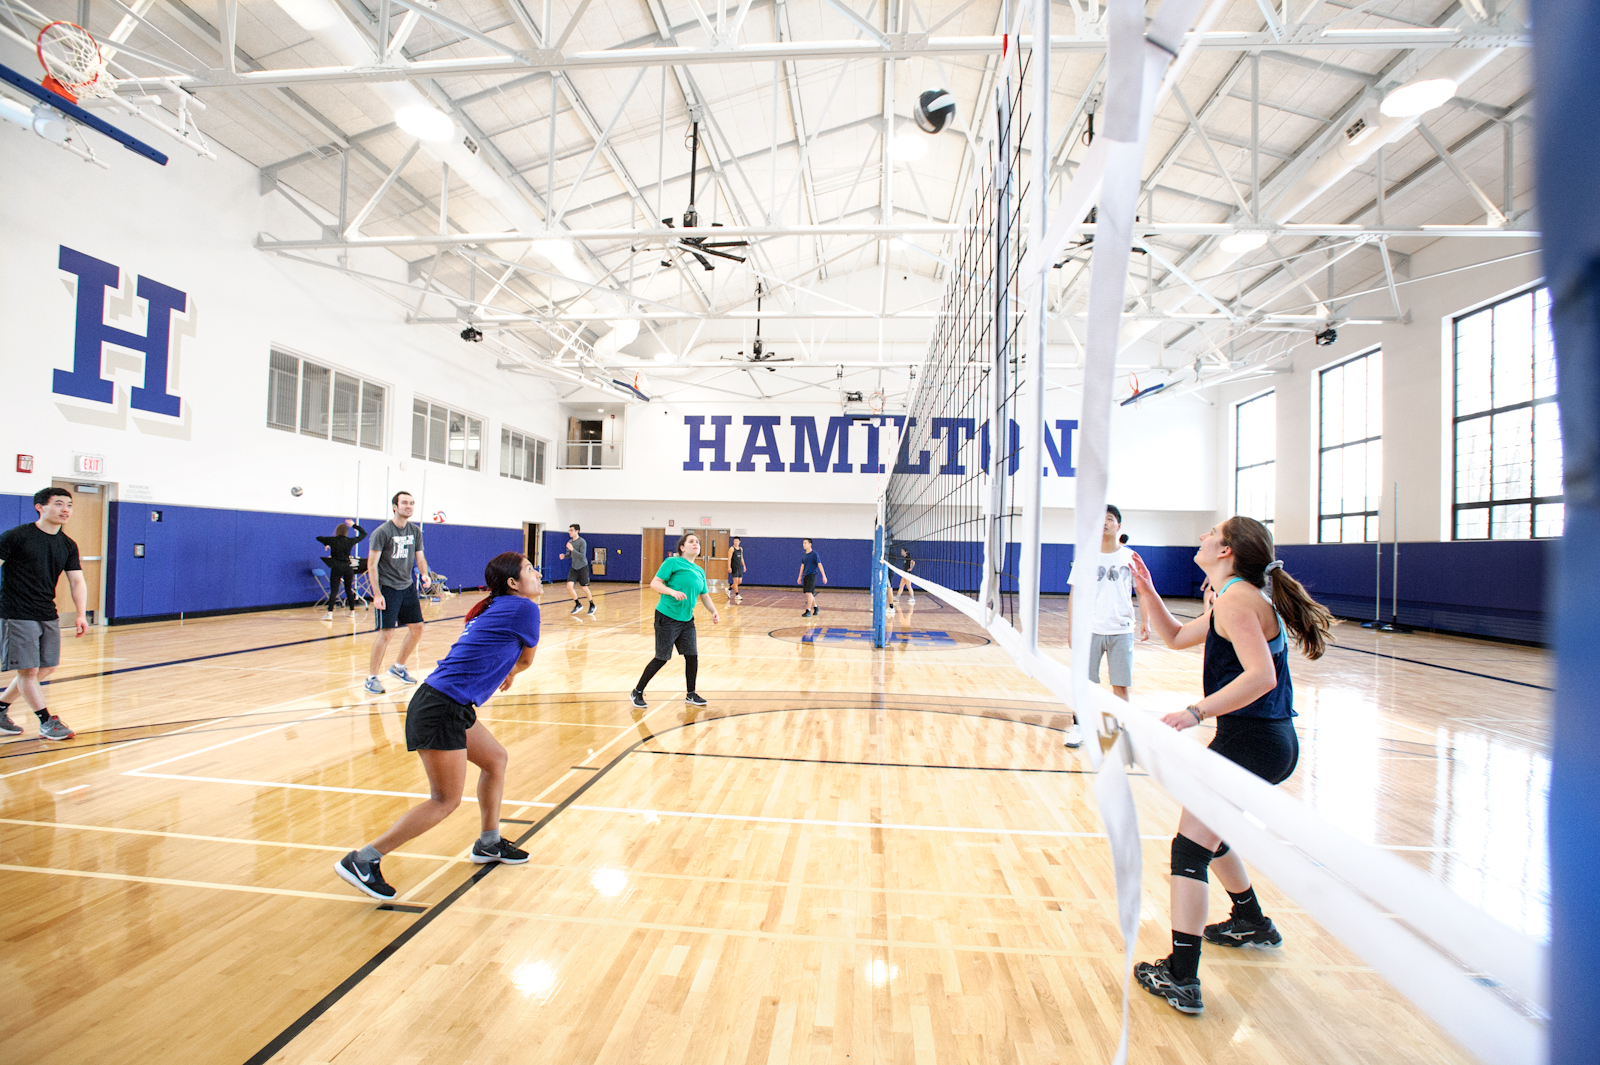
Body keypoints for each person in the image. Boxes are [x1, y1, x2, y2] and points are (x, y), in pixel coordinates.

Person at [1127, 516, 1334, 1016]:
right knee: (1209, 836)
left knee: (1189, 848)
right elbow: (1175, 637)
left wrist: (1196, 711)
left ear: (1227, 551)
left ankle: (1181, 977)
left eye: (1210, 533)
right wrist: (1148, 590)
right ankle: (1250, 921)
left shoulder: (1239, 600)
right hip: (1259, 740)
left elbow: (1261, 677)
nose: (1200, 536)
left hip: (1254, 741)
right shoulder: (1232, 597)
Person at [335, 551, 542, 900]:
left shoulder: (495, 608)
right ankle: (364, 859)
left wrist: (506, 670)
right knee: (445, 800)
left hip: (447, 702)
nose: (537, 573)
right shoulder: (525, 609)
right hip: (440, 707)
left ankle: (489, 843)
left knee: (495, 760)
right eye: (530, 569)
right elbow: (525, 659)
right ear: (513, 583)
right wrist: (512, 671)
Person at [0, 487, 88, 741]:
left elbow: (77, 582)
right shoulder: (16, 536)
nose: (65, 510)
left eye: (69, 505)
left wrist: (81, 614)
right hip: (16, 612)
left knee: (47, 668)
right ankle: (46, 721)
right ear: (40, 507)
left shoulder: (67, 544)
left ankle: (1, 707)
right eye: (59, 504)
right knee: (28, 671)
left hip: (47, 612)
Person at [630, 532, 720, 709]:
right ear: (682, 547)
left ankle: (691, 694)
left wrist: (714, 611)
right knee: (662, 658)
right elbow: (655, 583)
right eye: (691, 541)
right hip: (667, 617)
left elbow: (705, 596)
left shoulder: (699, 571)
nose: (696, 544)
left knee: (692, 656)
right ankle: (637, 691)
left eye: (698, 542)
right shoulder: (672, 562)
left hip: (686, 619)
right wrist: (671, 592)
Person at [365, 492, 432, 695]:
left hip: (407, 586)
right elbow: (372, 565)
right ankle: (371, 678)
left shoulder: (415, 531)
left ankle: (398, 667)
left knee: (417, 628)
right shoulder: (382, 532)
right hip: (387, 588)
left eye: (412, 503)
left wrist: (424, 573)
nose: (409, 506)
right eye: (404, 503)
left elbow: (419, 557)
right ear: (395, 506)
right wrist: (377, 594)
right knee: (386, 633)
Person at [316, 519, 367, 620]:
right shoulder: (349, 541)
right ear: (346, 532)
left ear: (337, 531)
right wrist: (353, 525)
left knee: (334, 590)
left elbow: (318, 538)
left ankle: (330, 613)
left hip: (336, 567)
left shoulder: (332, 540)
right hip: (348, 567)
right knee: (349, 589)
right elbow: (363, 534)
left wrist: (327, 544)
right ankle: (352, 611)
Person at [558, 524, 595, 617]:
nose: (569, 532)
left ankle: (592, 604)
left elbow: (582, 556)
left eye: (571, 530)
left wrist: (572, 549)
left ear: (577, 531)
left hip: (582, 566)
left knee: (584, 588)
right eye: (569, 530)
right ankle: (578, 604)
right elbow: (570, 554)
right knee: (569, 586)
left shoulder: (582, 542)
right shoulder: (570, 542)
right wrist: (564, 556)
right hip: (574, 567)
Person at [796, 538, 827, 617]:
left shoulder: (814, 554)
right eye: (803, 543)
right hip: (805, 576)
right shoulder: (804, 555)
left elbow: (820, 565)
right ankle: (816, 607)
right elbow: (802, 566)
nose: (803, 544)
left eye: (805, 543)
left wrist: (824, 575)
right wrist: (799, 576)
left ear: (810, 544)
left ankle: (808, 610)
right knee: (808, 594)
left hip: (812, 576)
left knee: (809, 593)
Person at [727, 536, 745, 603]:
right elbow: (729, 558)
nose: (735, 542)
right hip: (733, 566)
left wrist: (744, 566)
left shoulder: (741, 549)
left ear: (739, 542)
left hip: (739, 567)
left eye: (737, 541)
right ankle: (737, 595)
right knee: (735, 581)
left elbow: (741, 558)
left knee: (739, 582)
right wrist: (729, 567)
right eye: (734, 541)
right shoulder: (731, 549)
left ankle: (729, 589)